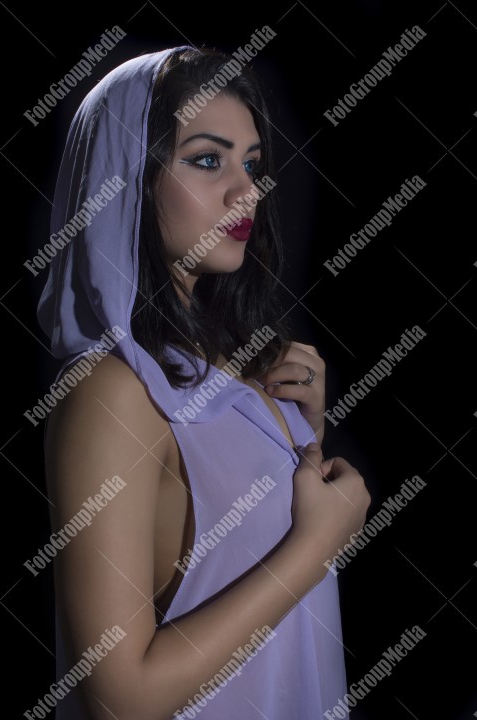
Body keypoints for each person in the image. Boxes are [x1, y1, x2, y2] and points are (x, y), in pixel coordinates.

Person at [38, 45, 371, 720]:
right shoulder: (110, 392)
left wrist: (300, 435)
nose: (245, 190)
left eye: (251, 163)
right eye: (207, 159)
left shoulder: (230, 369)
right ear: (130, 176)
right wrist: (313, 549)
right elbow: (119, 700)